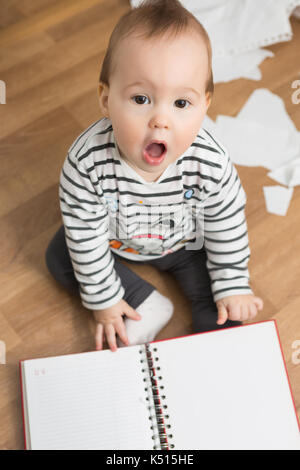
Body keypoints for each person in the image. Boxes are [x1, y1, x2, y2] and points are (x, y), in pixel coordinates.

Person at [46, 0, 263, 352]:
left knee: (224, 308)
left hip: (185, 244)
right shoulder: (86, 162)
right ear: (106, 99)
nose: (160, 120)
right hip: (113, 239)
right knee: (61, 254)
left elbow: (227, 222)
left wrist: (233, 284)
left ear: (205, 105)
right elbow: (85, 232)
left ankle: (208, 347)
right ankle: (142, 302)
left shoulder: (210, 163)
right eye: (141, 98)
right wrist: (104, 302)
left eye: (181, 104)